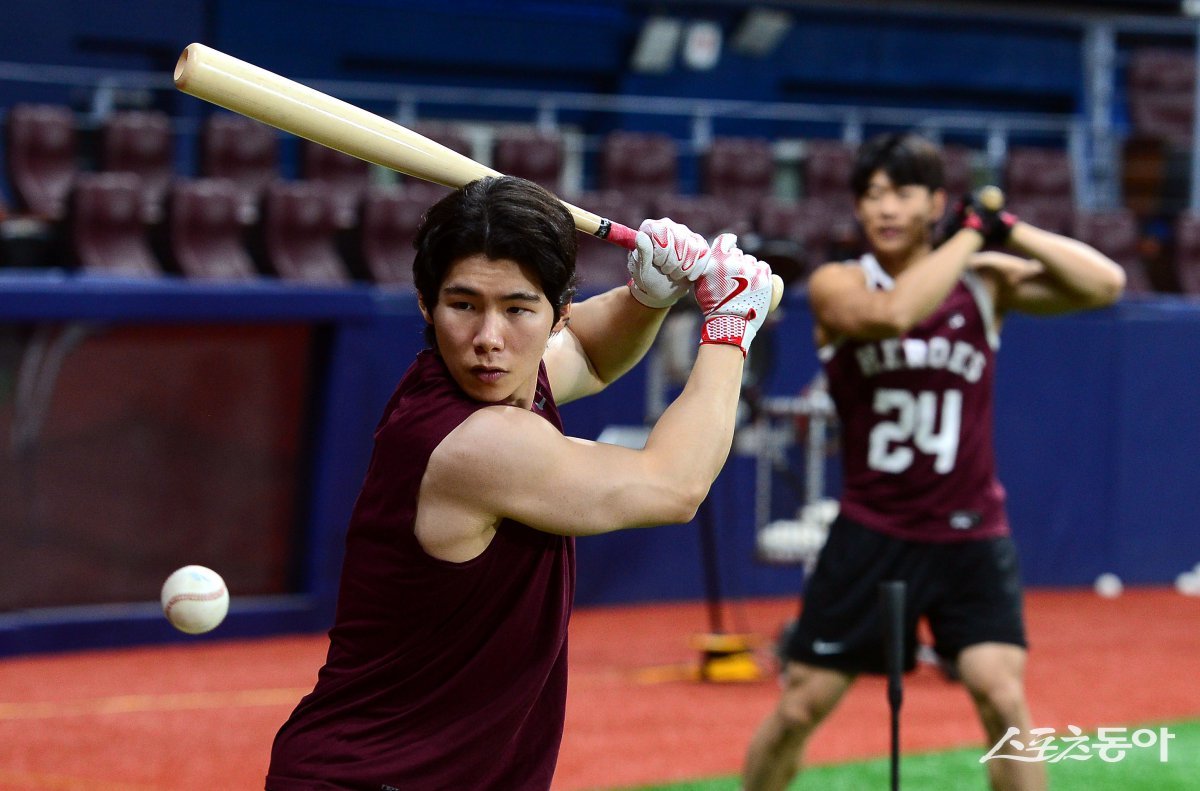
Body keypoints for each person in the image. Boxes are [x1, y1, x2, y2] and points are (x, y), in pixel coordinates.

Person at [265, 175, 776, 790]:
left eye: (517, 309)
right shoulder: (479, 444)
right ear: (426, 306)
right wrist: (729, 326)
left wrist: (649, 296)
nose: (488, 339)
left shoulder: (477, 379)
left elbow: (586, 353)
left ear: (555, 313)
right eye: (463, 305)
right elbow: (673, 486)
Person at [738, 133, 1126, 791]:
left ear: (936, 203)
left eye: (902, 192)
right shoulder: (840, 284)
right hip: (871, 529)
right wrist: (971, 238)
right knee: (802, 703)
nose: (885, 207)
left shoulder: (984, 284)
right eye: (871, 195)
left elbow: (1106, 284)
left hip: (970, 532)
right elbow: (893, 314)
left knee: (1002, 697)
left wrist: (1010, 228)